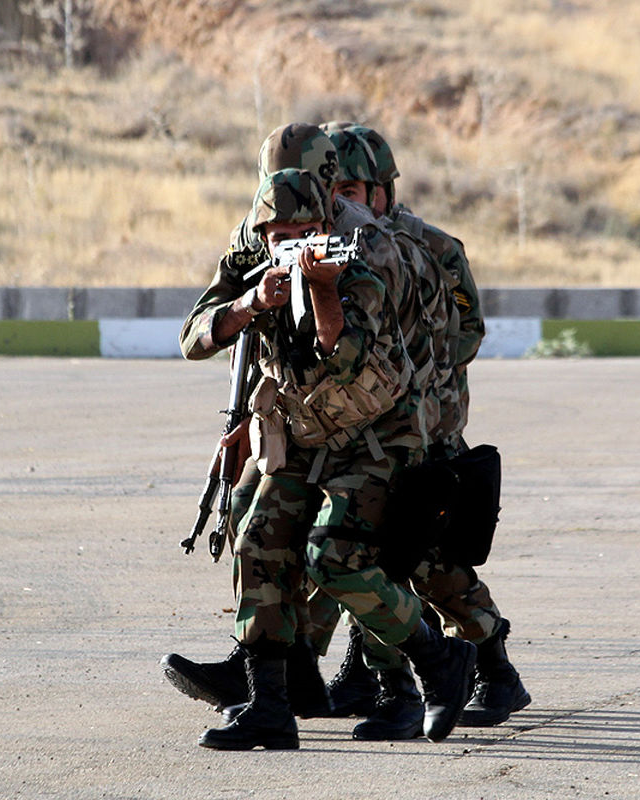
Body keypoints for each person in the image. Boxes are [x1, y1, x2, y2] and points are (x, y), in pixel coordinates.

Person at [176, 168, 476, 750]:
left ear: (325, 225)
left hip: (377, 436)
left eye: (306, 230)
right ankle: (269, 707)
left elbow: (342, 356)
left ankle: (440, 660)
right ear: (261, 235)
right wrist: (250, 303)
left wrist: (320, 288)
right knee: (259, 542)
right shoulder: (253, 268)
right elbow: (194, 340)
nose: (293, 243)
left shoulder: (360, 266)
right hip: (304, 433)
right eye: (279, 234)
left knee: (334, 557)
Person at [319, 122, 531, 730]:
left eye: (360, 187)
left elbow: (466, 333)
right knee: (370, 553)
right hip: (363, 430)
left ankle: (493, 665)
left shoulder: (431, 247)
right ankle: (367, 676)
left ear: (386, 188)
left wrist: (413, 379)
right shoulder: (334, 244)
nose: (348, 200)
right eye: (338, 187)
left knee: (425, 558)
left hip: (424, 427)